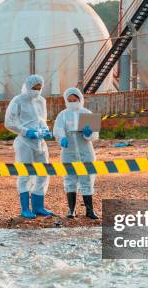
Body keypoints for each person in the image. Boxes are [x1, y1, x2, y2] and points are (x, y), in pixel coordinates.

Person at [5, 75, 55, 219]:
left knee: (43, 173)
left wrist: (45, 130)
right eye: (34, 88)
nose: (37, 91)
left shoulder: (41, 101)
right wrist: (26, 131)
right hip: (25, 143)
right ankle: (25, 208)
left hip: (40, 143)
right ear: (28, 86)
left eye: (39, 88)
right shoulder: (18, 100)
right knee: (25, 173)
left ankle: (39, 207)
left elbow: (42, 120)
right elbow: (9, 122)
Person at [53, 87, 99, 220]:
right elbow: (57, 129)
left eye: (75, 99)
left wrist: (89, 134)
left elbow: (95, 135)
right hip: (68, 153)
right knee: (69, 180)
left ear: (80, 99)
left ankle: (90, 211)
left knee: (87, 180)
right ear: (66, 101)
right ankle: (71, 210)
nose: (73, 102)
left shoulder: (86, 113)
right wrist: (62, 137)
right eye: (70, 100)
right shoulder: (62, 115)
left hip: (86, 153)